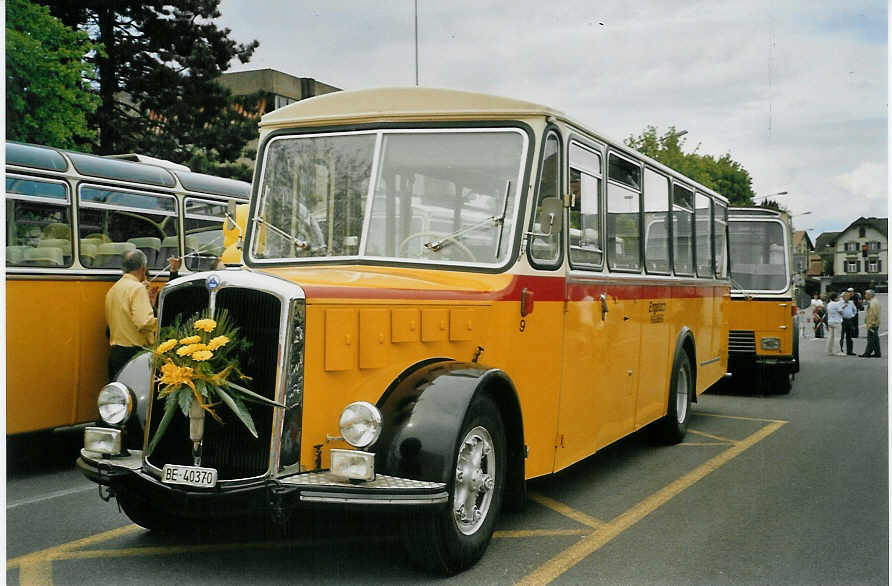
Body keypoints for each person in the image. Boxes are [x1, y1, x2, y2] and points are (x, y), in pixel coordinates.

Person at [105, 249, 157, 379]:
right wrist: (162, 321)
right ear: (143, 269)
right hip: (134, 355)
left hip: (116, 353)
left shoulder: (114, 289)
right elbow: (144, 323)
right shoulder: (137, 288)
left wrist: (148, 303)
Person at [860, 289, 882, 358]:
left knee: (871, 339)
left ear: (869, 295)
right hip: (873, 323)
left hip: (872, 324)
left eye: (866, 294)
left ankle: (867, 353)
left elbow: (874, 314)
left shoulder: (873, 303)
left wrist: (872, 323)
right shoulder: (874, 301)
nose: (865, 295)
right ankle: (877, 353)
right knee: (875, 339)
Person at [825, 292, 845, 356]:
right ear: (835, 298)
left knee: (830, 337)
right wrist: (843, 309)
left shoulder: (829, 304)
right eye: (838, 297)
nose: (839, 298)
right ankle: (838, 351)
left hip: (830, 321)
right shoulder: (837, 304)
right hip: (837, 322)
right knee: (837, 337)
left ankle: (829, 351)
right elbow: (841, 312)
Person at [840, 290, 857, 355]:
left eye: (848, 296)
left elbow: (855, 310)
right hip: (842, 320)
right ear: (843, 297)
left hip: (849, 320)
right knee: (841, 336)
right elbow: (838, 310)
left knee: (849, 336)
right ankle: (840, 350)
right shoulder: (840, 303)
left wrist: (852, 315)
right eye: (846, 296)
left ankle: (850, 351)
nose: (847, 297)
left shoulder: (851, 303)